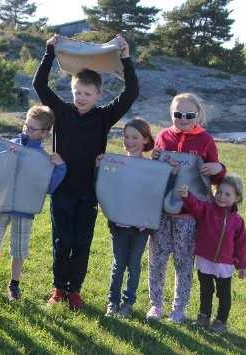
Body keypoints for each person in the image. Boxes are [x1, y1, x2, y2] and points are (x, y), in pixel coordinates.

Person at [32, 34, 139, 310]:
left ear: (98, 95)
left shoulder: (103, 116)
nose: (81, 98)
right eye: (78, 92)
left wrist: (125, 58)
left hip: (89, 191)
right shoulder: (61, 111)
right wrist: (49, 52)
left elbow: (131, 93)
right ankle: (58, 289)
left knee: (81, 242)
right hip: (62, 189)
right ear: (72, 91)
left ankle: (75, 290)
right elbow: (39, 84)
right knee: (62, 240)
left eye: (87, 94)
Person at [0, 105, 67, 301]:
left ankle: (14, 284)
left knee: (19, 248)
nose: (27, 131)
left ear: (45, 133)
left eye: (32, 129)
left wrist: (60, 167)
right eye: (26, 126)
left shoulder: (42, 159)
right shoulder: (11, 144)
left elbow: (48, 187)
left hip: (24, 208)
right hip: (3, 203)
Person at [147, 93, 226, 323]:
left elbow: (216, 178)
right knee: (157, 259)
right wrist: (154, 158)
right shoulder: (162, 136)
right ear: (171, 113)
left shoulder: (206, 141)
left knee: (183, 262)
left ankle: (178, 309)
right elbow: (157, 173)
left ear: (198, 115)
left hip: (190, 215)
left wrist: (217, 167)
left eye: (189, 115)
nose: (183, 118)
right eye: (178, 114)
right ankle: (156, 305)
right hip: (162, 211)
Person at [177, 174, 246, 333]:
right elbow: (195, 206)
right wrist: (187, 195)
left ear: (237, 197)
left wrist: (241, 265)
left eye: (227, 194)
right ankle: (203, 316)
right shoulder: (207, 209)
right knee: (206, 291)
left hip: (224, 265)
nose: (222, 197)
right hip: (204, 260)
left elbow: (241, 245)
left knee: (224, 294)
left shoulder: (237, 221)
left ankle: (221, 321)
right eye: (219, 192)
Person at [102, 118, 155, 318]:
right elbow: (107, 189)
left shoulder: (151, 167)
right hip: (120, 225)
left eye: (135, 137)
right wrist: (101, 167)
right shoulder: (116, 163)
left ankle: (128, 303)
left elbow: (154, 193)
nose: (130, 141)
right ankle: (112, 302)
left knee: (134, 265)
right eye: (126, 137)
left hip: (141, 227)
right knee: (119, 264)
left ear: (145, 140)